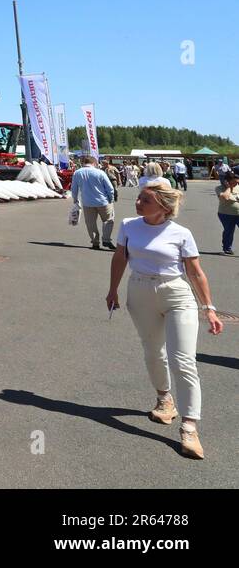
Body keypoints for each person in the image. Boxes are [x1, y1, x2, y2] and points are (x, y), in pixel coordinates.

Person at [106, 180, 223, 459]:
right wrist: (112, 290)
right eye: (138, 198)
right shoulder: (128, 225)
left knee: (183, 360)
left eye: (144, 200)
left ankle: (189, 426)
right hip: (140, 291)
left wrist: (209, 307)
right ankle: (164, 399)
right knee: (153, 352)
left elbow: (195, 272)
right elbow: (120, 257)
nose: (137, 203)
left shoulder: (181, 233)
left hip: (176, 294)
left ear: (163, 206)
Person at [70, 155, 117, 249]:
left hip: (87, 202)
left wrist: (75, 200)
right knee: (108, 220)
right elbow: (110, 188)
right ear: (94, 163)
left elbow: (74, 188)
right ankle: (106, 239)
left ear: (83, 163)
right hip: (103, 201)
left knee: (90, 223)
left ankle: (95, 242)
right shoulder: (100, 172)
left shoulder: (77, 173)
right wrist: (110, 199)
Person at [217, 172, 239, 256]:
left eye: (237, 182)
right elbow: (225, 197)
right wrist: (229, 187)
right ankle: (227, 249)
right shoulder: (219, 188)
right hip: (225, 214)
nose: (236, 184)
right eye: (234, 182)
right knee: (229, 231)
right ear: (227, 181)